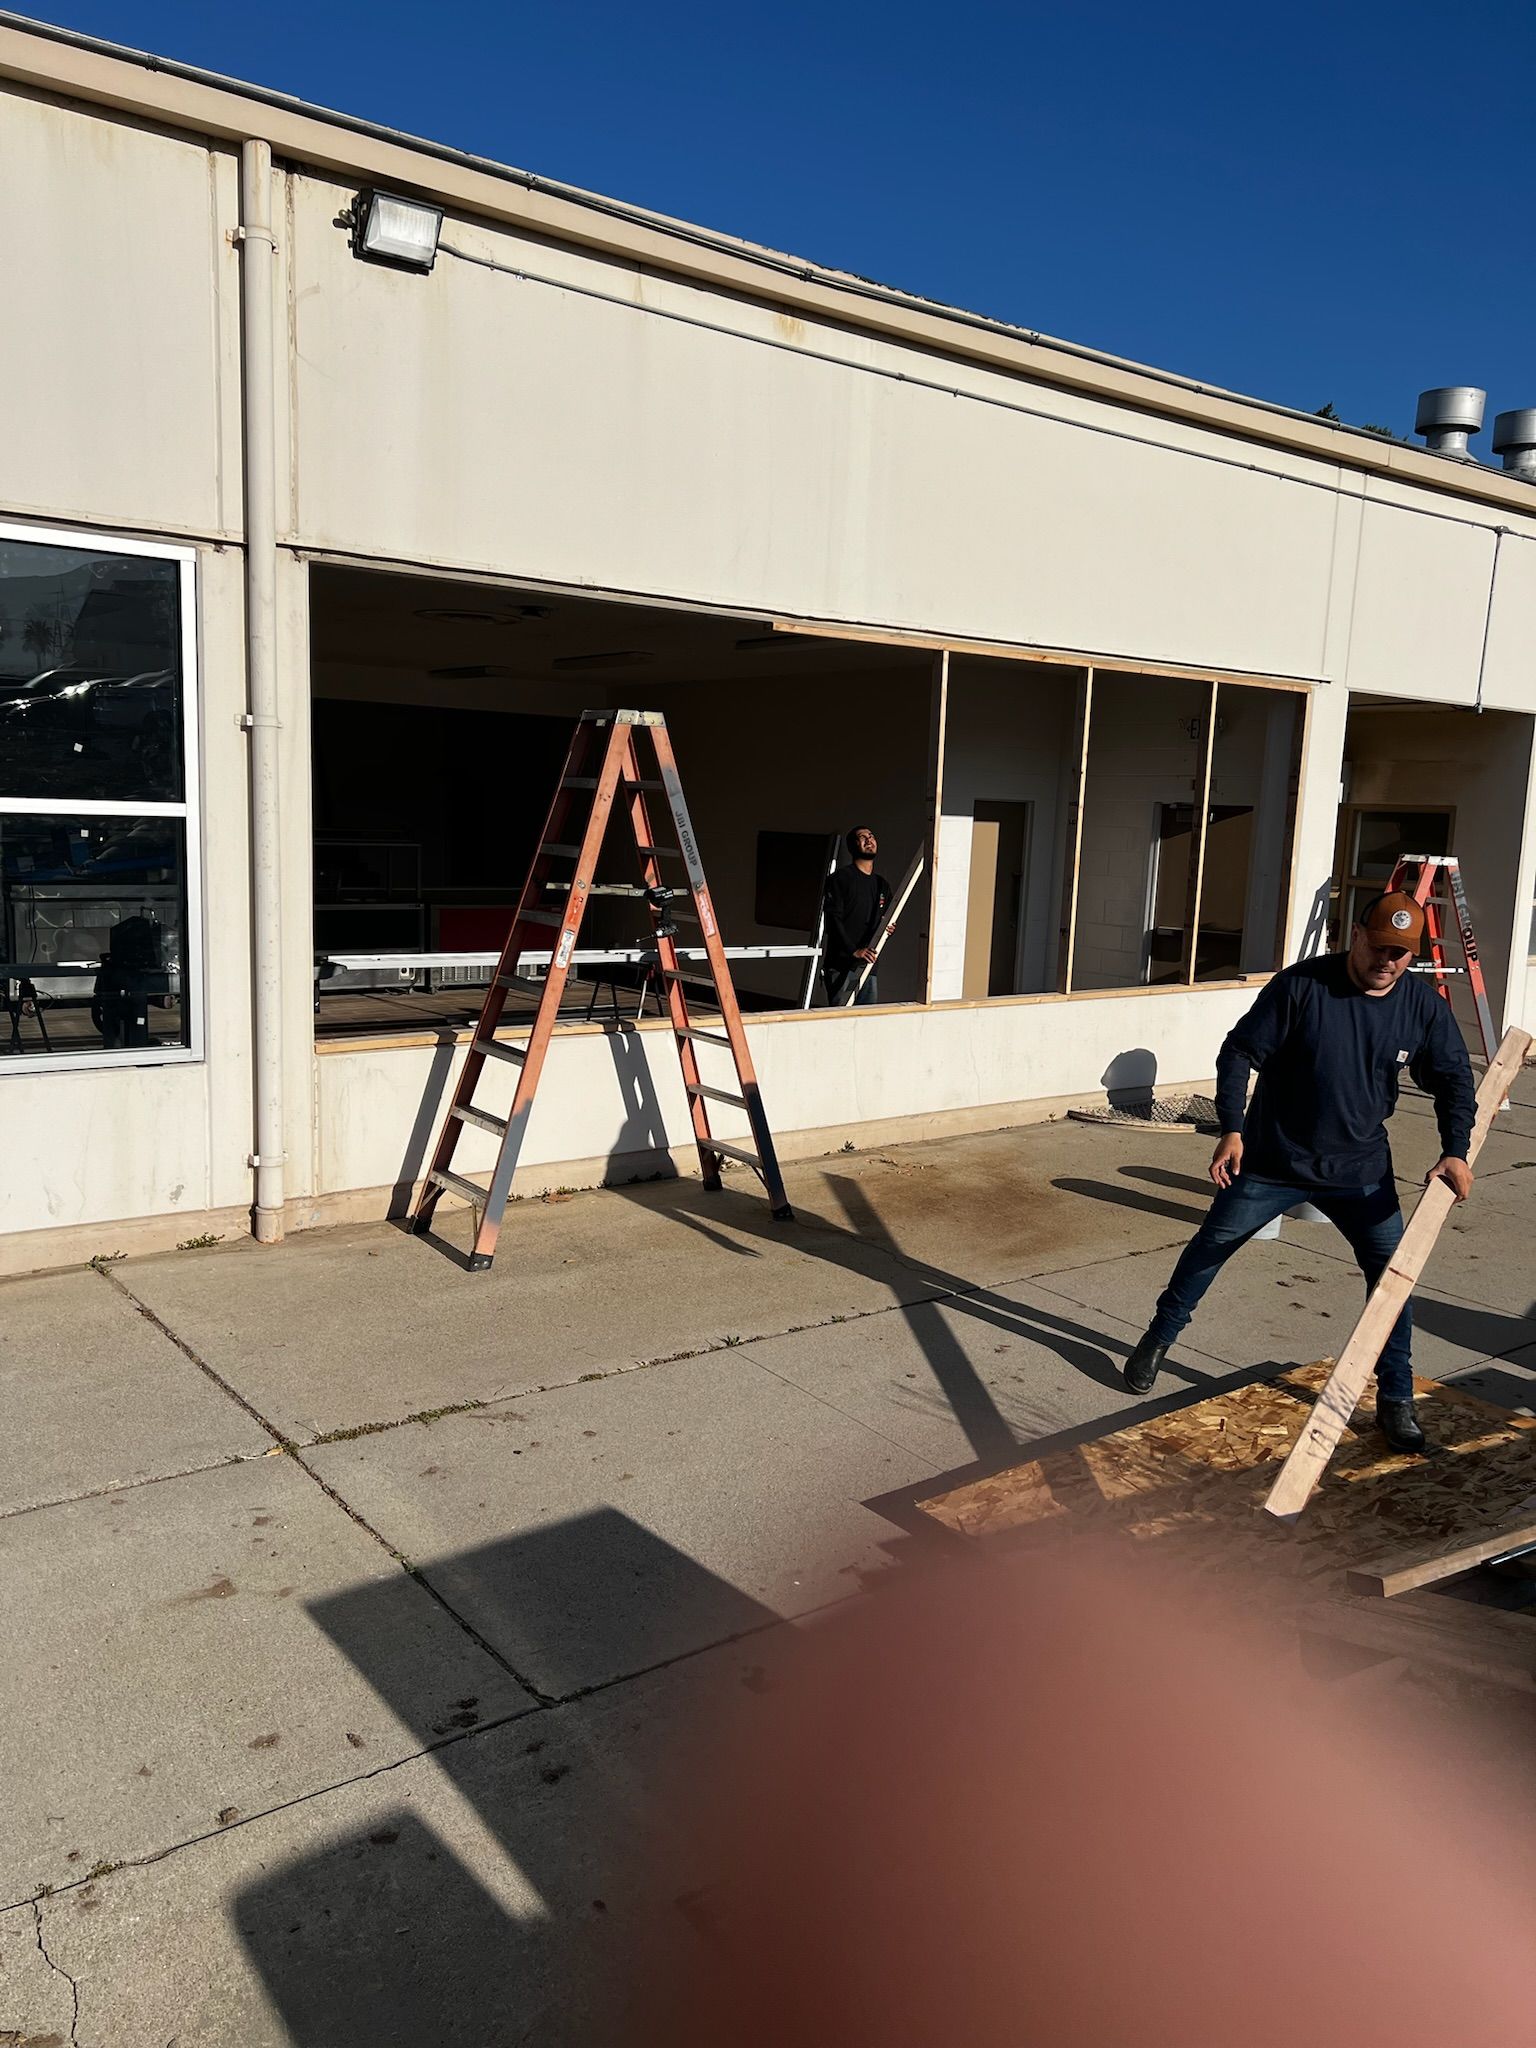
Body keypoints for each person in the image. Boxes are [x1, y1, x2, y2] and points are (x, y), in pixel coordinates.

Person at [1121, 890, 1476, 1453]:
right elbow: (1239, 1051)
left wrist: (1455, 1148)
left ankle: (1395, 1396)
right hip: (1272, 1162)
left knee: (1392, 1281)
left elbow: (1454, 1079)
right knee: (1208, 1250)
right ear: (1356, 935)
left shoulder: (1421, 1006)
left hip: (1360, 1171)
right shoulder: (1303, 986)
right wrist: (1232, 1127)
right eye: (1379, 947)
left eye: (1400, 954)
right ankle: (1157, 1340)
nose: (1387, 961)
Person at [821, 826, 890, 1007]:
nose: (869, 840)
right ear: (852, 846)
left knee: (866, 1017)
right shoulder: (840, 879)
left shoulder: (881, 885)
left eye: (871, 836)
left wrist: (888, 929)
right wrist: (853, 950)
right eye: (862, 837)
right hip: (841, 965)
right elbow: (832, 920)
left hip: (868, 966)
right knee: (841, 1016)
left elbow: (886, 919)